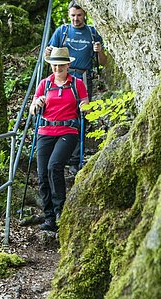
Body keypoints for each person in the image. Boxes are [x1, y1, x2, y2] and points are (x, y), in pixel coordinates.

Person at [29, 47, 89, 232]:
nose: (57, 69)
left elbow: (87, 105)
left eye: (61, 66)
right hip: (45, 131)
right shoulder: (45, 84)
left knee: (54, 166)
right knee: (42, 175)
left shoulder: (77, 84)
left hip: (68, 131)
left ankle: (60, 211)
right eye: (54, 66)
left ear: (68, 65)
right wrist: (37, 104)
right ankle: (49, 218)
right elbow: (32, 109)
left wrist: (85, 106)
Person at [44, 0, 107, 174]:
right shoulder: (62, 31)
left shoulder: (93, 33)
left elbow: (103, 62)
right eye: (73, 15)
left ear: (84, 14)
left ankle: (74, 160)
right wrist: (47, 53)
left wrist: (99, 51)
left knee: (81, 116)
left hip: (84, 78)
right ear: (68, 15)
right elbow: (47, 58)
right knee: (59, 113)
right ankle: (57, 154)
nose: (76, 19)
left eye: (79, 15)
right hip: (62, 76)